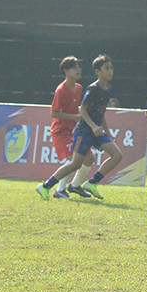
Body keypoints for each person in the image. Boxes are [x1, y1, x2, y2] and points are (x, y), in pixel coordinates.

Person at [36, 55, 122, 200]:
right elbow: (82, 110)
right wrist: (90, 125)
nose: (110, 71)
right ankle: (47, 186)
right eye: (107, 68)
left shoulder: (106, 90)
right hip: (80, 131)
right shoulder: (90, 89)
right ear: (97, 71)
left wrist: (107, 131)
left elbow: (100, 112)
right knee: (75, 163)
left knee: (115, 155)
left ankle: (90, 183)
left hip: (92, 130)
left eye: (111, 68)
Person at [47, 56, 95, 199]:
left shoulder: (79, 88)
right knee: (74, 161)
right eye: (74, 67)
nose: (78, 70)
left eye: (79, 67)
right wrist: (74, 117)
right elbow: (54, 113)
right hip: (61, 132)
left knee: (89, 158)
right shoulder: (61, 90)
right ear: (66, 71)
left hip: (75, 131)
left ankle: (75, 186)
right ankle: (60, 190)